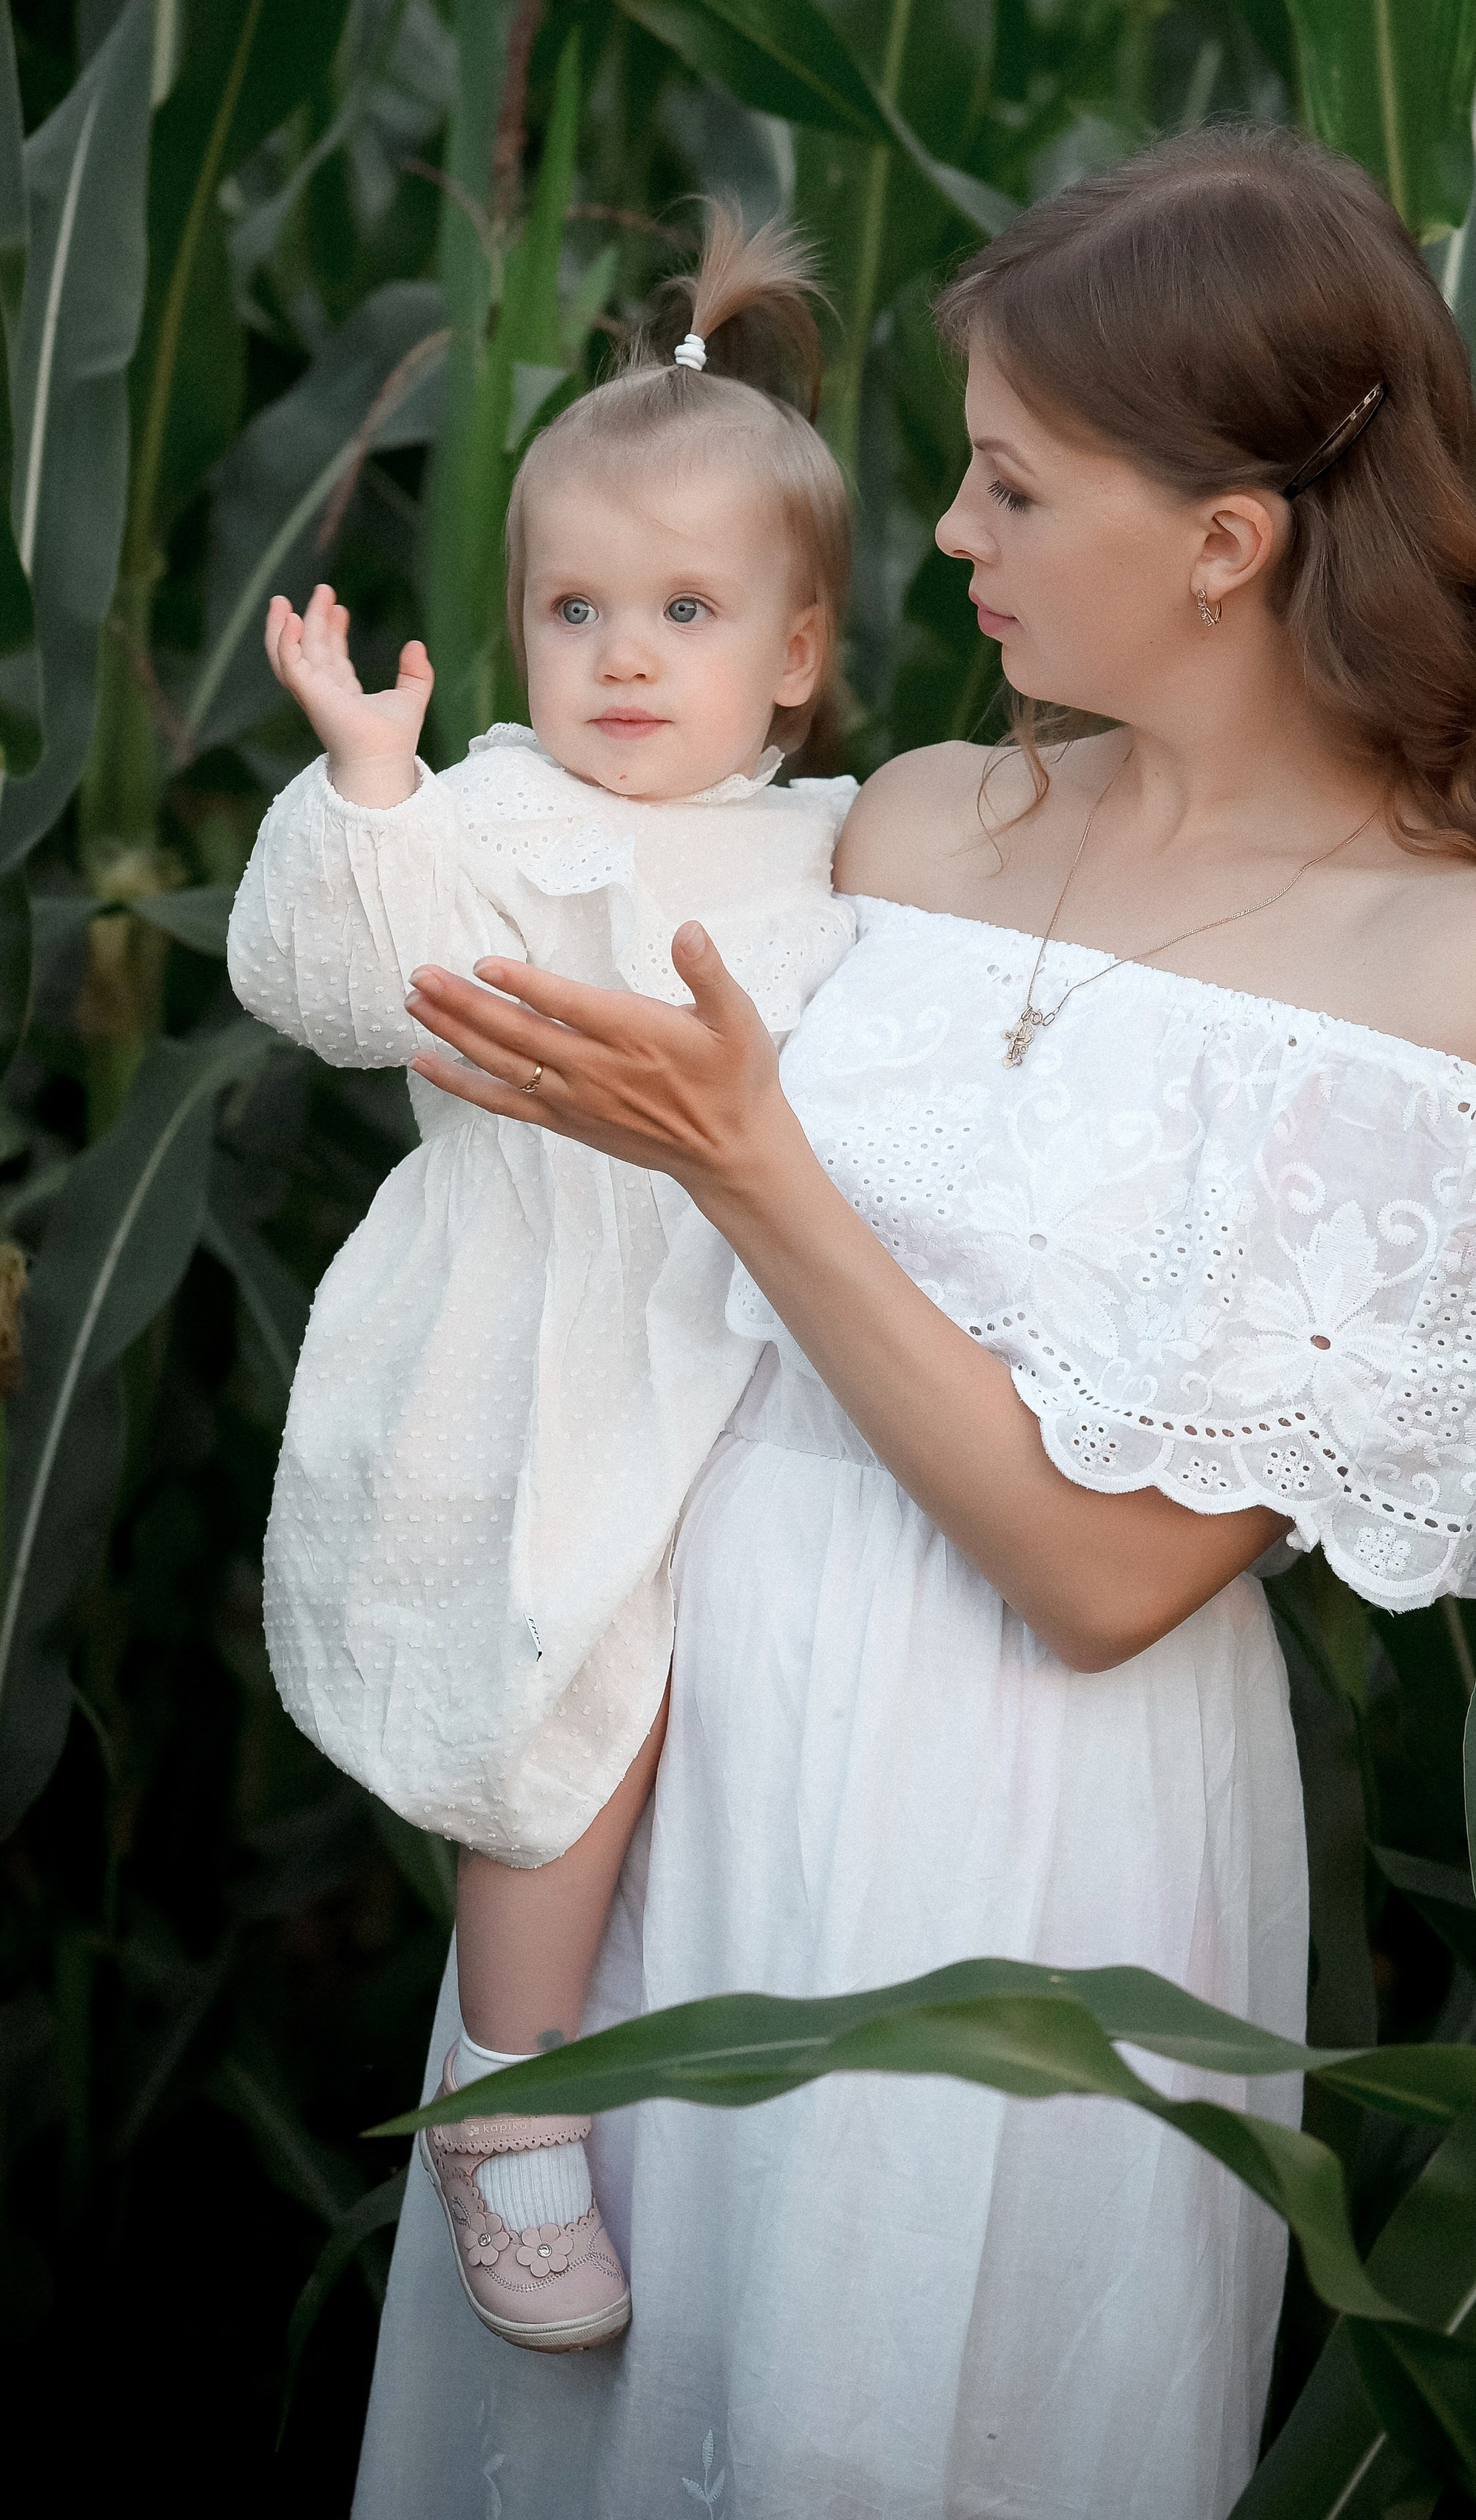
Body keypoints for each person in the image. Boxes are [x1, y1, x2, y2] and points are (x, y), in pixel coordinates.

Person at [351, 121, 1476, 2519]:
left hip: (1029, 1856)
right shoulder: (908, 822)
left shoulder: (1456, 977)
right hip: (664, 1747)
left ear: (1226, 542)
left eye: (1014, 489)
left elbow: (1107, 1575)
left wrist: (748, 1161)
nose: (947, 540)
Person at [228, 214, 859, 2353]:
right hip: (543, 1345)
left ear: (797, 650)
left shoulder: (841, 851)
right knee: (576, 1718)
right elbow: (327, 985)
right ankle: (510, 2099)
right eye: (575, 606)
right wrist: (372, 779)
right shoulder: (493, 812)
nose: (620, 655)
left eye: (687, 610)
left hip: (760, 1351)